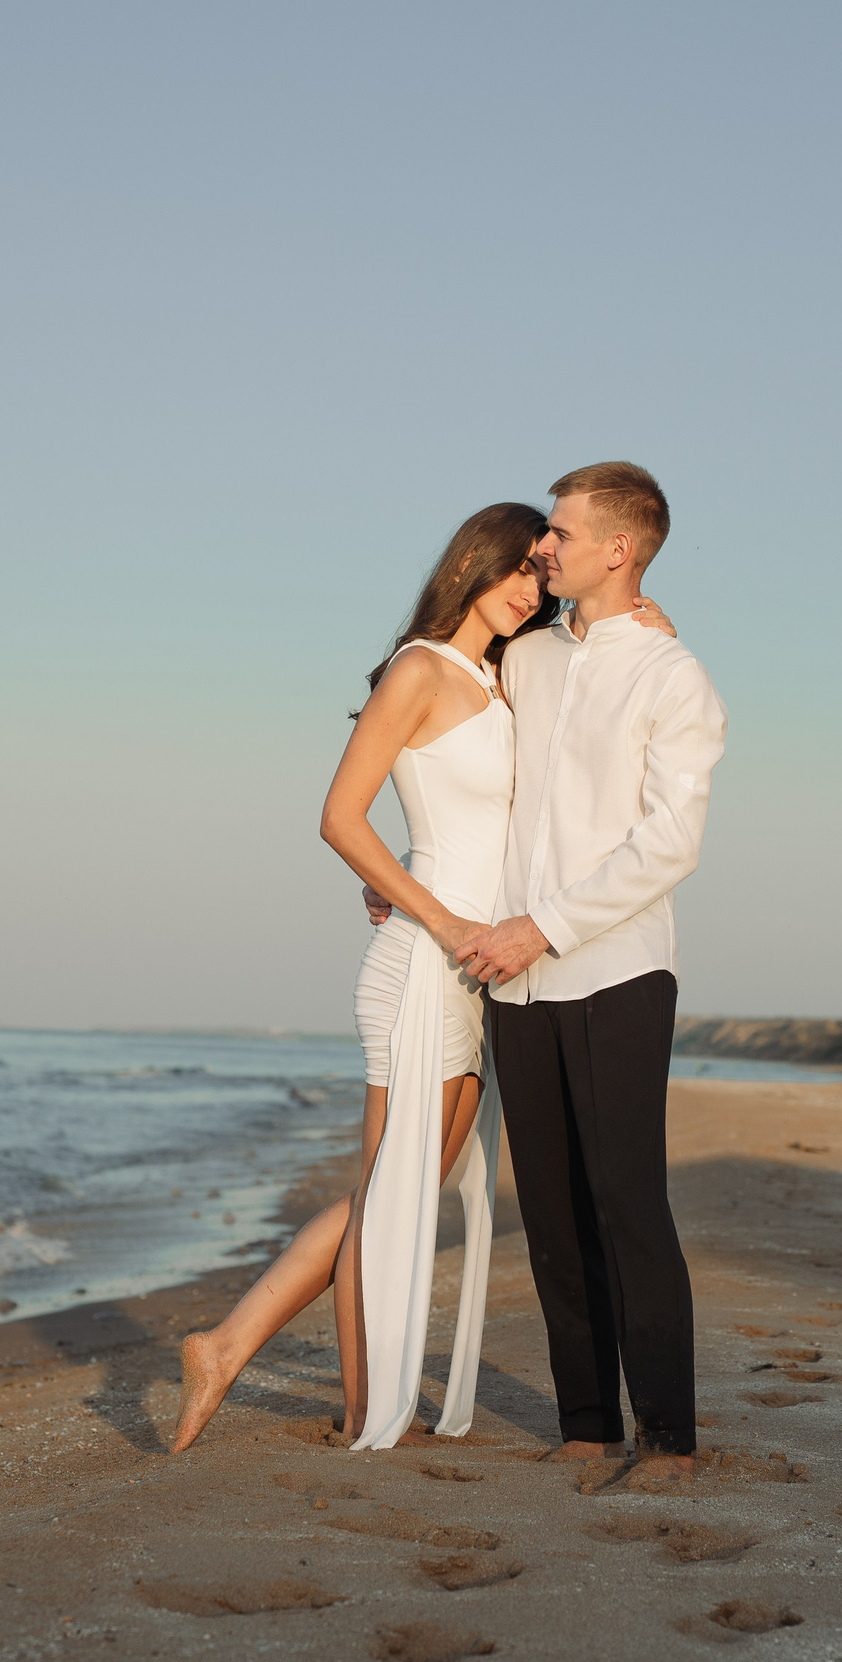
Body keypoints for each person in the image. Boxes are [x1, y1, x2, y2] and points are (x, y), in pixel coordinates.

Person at [169, 502, 674, 1452]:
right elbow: (340, 816)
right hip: (422, 963)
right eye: (517, 567)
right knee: (386, 1191)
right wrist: (431, 911)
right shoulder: (420, 668)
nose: (530, 588)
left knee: (404, 1186)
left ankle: (230, 1342)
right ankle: (359, 1407)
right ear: (473, 563)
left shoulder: (505, 676)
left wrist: (653, 619)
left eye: (540, 572)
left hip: (482, 974)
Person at [447, 462, 726, 1488]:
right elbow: (469, 776)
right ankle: (584, 1422)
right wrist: (418, 886)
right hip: (515, 979)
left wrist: (545, 927)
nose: (542, 546)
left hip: (616, 970)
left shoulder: (673, 674)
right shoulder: (524, 657)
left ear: (620, 548)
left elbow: (670, 843)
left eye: (560, 533)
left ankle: (669, 1438)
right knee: (552, 1211)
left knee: (628, 1205)